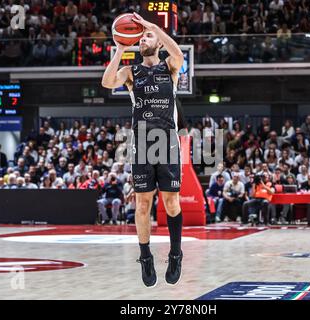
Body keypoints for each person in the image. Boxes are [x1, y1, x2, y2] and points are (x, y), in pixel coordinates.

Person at [102, 12, 185, 287]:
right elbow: (106, 82)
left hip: (167, 140)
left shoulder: (169, 67)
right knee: (143, 204)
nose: (143, 39)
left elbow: (179, 55)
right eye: (141, 37)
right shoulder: (130, 72)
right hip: (141, 142)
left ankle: (175, 253)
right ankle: (146, 257)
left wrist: (154, 27)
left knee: (171, 202)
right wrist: (120, 49)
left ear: (158, 42)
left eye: (147, 36)